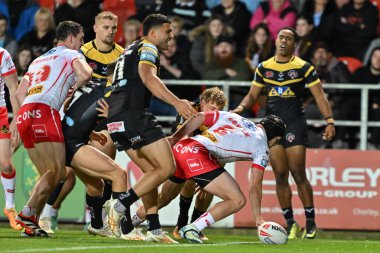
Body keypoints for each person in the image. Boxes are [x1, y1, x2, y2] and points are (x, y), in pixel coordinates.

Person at [232, 27, 336, 239]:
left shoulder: (304, 67)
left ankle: (310, 221)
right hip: (273, 127)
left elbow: (319, 96)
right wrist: (241, 108)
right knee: (280, 174)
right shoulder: (264, 67)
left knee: (298, 173)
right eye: (281, 37)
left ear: (294, 44)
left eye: (289, 38)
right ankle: (290, 222)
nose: (284, 41)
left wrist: (330, 121)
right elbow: (252, 96)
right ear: (276, 40)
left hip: (295, 123)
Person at [105, 13, 197, 242]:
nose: (171, 36)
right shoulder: (149, 47)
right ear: (153, 33)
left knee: (151, 173)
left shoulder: (130, 48)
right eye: (168, 32)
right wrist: (177, 102)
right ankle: (120, 205)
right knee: (167, 167)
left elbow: (111, 77)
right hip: (134, 114)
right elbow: (148, 77)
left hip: (117, 117)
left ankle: (154, 229)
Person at [133, 112, 286, 244]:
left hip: (183, 146)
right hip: (198, 154)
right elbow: (255, 185)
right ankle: (193, 228)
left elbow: (199, 117)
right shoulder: (262, 148)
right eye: (277, 142)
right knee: (237, 200)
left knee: (164, 197)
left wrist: (175, 137)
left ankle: (129, 223)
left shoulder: (237, 118)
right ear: (276, 138)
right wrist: (258, 219)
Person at [38, 11, 124, 233]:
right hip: (76, 114)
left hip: (101, 120)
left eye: (113, 27)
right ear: (95, 28)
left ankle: (96, 219)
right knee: (64, 173)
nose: (110, 31)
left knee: (101, 173)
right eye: (105, 27)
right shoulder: (79, 52)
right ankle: (48, 213)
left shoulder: (122, 56)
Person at [14, 20, 92, 237]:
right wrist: (71, 91)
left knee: (45, 175)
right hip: (44, 110)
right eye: (81, 38)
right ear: (70, 38)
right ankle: (27, 213)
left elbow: (20, 94)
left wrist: (29, 112)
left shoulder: (38, 59)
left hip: (25, 113)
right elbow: (86, 74)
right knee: (57, 172)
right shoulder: (70, 54)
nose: (82, 43)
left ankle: (31, 224)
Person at [170, 87, 227, 240]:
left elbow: (223, 148)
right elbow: (183, 139)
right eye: (212, 108)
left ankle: (195, 226)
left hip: (207, 152)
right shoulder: (189, 110)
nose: (215, 112)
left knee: (210, 187)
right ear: (202, 103)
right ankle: (181, 224)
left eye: (218, 110)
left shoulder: (220, 118)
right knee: (190, 179)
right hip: (184, 148)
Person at [0, 47, 21, 231]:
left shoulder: (2, 54)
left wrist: (16, 118)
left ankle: (9, 207)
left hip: (0, 114)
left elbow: (14, 87)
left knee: (6, 164)